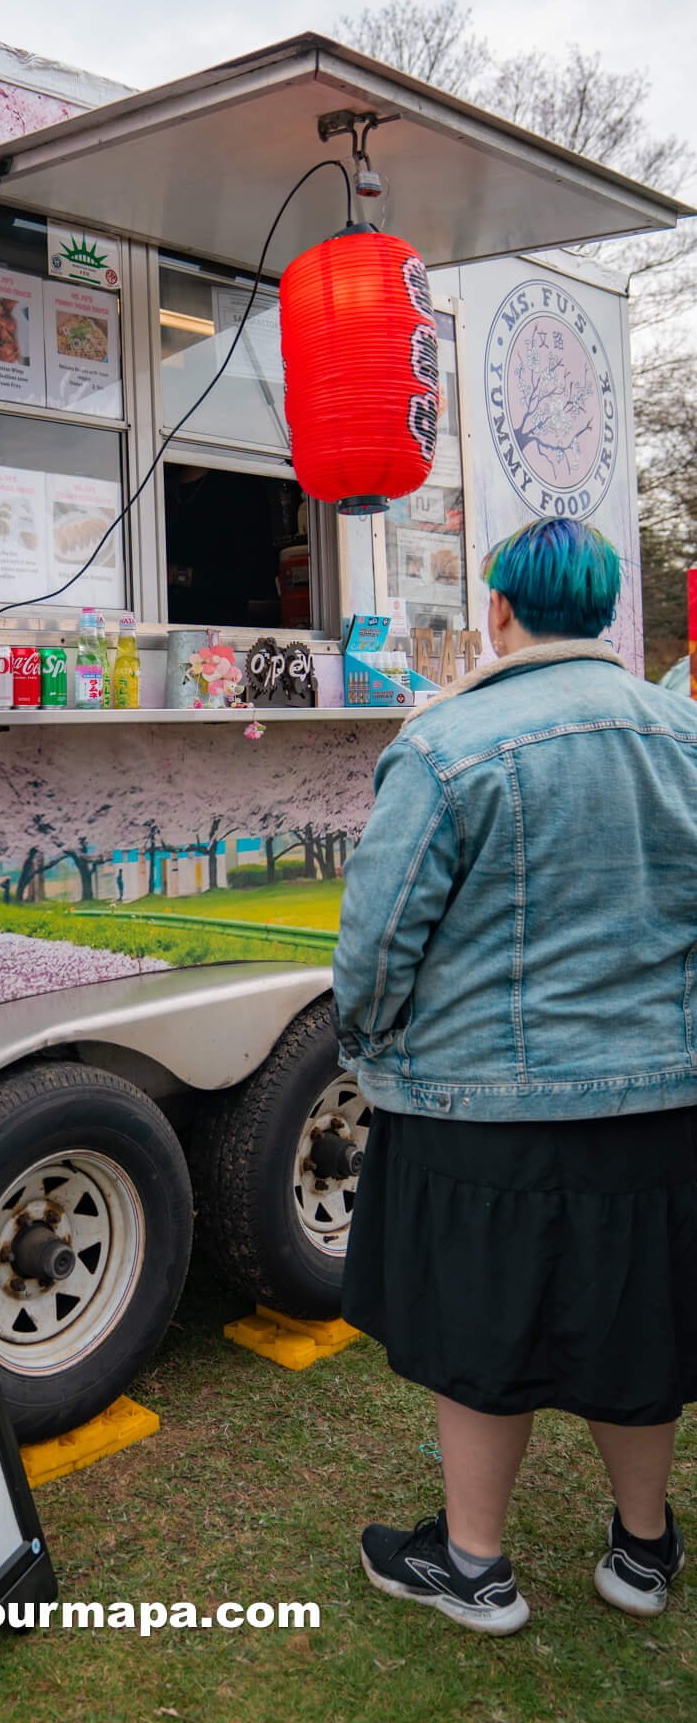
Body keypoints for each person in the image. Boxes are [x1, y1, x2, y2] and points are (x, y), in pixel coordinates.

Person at [334, 518, 697, 1636]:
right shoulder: (685, 730)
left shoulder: (448, 740)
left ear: (497, 608)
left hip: (481, 1104)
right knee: (640, 1325)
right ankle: (643, 1546)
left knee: (481, 1331)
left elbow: (378, 940)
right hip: (663, 1100)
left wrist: (371, 1045)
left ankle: (476, 1565)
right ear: (605, 613)